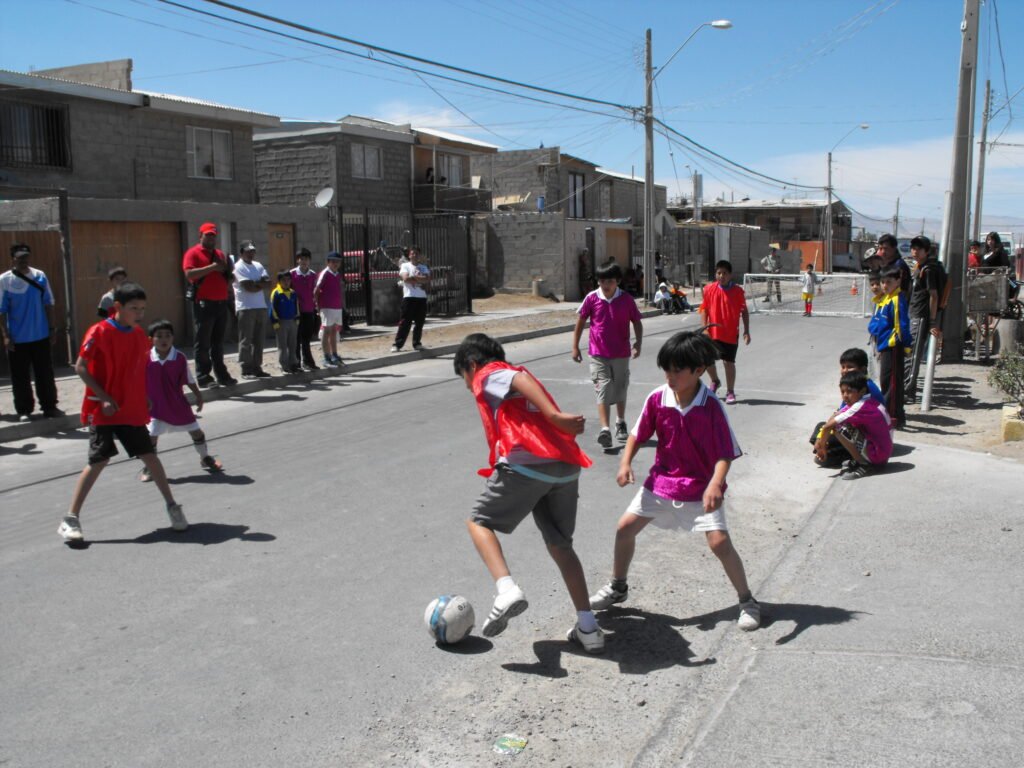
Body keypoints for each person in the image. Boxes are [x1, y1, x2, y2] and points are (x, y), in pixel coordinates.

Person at [588, 330, 761, 632]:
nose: (670, 376)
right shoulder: (657, 398)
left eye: (677, 370)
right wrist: (625, 462)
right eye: (666, 369)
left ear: (697, 370)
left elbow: (725, 453)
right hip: (662, 483)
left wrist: (715, 483)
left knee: (719, 543)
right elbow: (638, 434)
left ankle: (747, 601)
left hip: (700, 487)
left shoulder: (711, 407)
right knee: (624, 528)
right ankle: (618, 586)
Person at [453, 333, 604, 653]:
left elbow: (517, 377)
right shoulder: (503, 379)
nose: (468, 385)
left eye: (465, 378)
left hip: (528, 465)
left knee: (478, 522)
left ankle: (506, 589)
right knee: (561, 546)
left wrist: (553, 416)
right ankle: (589, 629)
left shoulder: (488, 372)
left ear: (472, 364)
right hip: (565, 468)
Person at [58, 282, 187, 544]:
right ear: (117, 307)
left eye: (142, 309)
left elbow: (137, 370)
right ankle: (70, 518)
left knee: (150, 456)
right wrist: (104, 397)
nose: (139, 313)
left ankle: (173, 507)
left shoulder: (139, 335)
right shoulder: (99, 331)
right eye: (133, 308)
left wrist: (145, 396)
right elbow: (81, 367)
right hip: (103, 408)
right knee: (98, 461)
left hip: (129, 408)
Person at [139, 319, 223, 482]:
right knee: (151, 437)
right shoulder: (145, 359)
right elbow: (137, 382)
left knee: (196, 432)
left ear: (173, 338)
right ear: (151, 339)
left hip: (178, 404)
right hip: (156, 406)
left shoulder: (179, 358)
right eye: (159, 336)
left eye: (168, 335)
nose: (164, 339)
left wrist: (198, 396)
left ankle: (205, 458)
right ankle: (149, 466)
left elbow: (189, 379)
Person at [571, 262, 643, 448]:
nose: (605, 284)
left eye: (610, 281)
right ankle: (605, 429)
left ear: (617, 281)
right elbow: (580, 322)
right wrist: (575, 346)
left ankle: (620, 422)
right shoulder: (591, 298)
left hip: (621, 353)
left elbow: (636, 322)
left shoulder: (626, 299)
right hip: (597, 354)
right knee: (602, 387)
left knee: (620, 388)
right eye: (602, 280)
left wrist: (638, 343)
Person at [0, 243, 62, 421]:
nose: (23, 261)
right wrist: (6, 336)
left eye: (26, 257)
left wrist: (52, 328)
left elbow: (49, 303)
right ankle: (24, 410)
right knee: (20, 377)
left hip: (40, 335)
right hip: (17, 338)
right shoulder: (4, 280)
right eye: (20, 258)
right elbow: (1, 311)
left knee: (45, 373)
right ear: (13, 259)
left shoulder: (39, 276)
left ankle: (50, 407)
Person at [182, 222, 237, 388]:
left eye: (213, 235)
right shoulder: (193, 253)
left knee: (218, 342)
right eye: (208, 235)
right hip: (204, 304)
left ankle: (221, 374)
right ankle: (204, 376)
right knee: (203, 342)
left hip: (221, 302)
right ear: (201, 236)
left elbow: (229, 277)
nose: (211, 238)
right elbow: (189, 274)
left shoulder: (220, 254)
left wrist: (228, 275)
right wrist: (213, 267)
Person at [811, 348, 886, 468]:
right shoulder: (855, 385)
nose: (845, 371)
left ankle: (856, 460)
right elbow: (839, 412)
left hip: (870, 440)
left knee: (833, 430)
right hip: (858, 430)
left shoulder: (865, 390)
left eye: (850, 367)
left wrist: (822, 440)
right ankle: (826, 449)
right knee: (821, 428)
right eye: (843, 367)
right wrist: (821, 438)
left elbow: (838, 421)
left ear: (862, 369)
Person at [814, 371, 893, 481]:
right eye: (842, 392)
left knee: (838, 427)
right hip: (882, 452)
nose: (845, 395)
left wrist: (821, 446)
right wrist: (820, 438)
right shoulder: (865, 401)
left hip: (878, 455)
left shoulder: (860, 406)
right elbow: (834, 416)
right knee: (833, 424)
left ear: (862, 391)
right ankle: (863, 459)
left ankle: (865, 465)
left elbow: (829, 426)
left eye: (849, 391)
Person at [699, 260, 750, 405]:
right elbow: (704, 309)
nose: (721, 276)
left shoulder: (738, 291)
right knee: (707, 360)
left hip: (730, 334)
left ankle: (730, 391)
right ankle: (715, 381)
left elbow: (744, 312)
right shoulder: (709, 289)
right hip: (712, 333)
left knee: (728, 363)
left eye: (725, 273)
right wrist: (704, 328)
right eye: (718, 273)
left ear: (730, 275)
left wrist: (746, 330)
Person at [868, 265, 911, 429]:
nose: (884, 285)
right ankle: (893, 416)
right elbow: (876, 322)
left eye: (888, 282)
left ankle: (893, 417)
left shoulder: (897, 299)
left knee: (892, 383)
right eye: (883, 282)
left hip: (893, 347)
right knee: (886, 381)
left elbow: (902, 325)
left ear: (898, 281)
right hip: (883, 345)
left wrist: (906, 346)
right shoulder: (883, 299)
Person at [904, 236, 946, 404]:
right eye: (913, 248)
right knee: (909, 353)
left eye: (919, 249)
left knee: (913, 355)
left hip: (921, 317)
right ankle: (908, 388)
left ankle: (908, 390)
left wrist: (932, 321)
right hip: (914, 314)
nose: (915, 251)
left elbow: (934, 296)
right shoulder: (919, 266)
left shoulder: (928, 270)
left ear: (926, 251)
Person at [232, 240, 272, 379]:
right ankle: (246, 368)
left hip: (260, 306)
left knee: (259, 340)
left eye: (253, 251)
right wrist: (258, 284)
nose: (251, 254)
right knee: (246, 340)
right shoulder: (238, 267)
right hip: (246, 307)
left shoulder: (258, 265)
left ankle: (257, 367)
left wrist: (257, 284)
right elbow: (247, 287)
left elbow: (268, 282)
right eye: (248, 251)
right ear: (242, 252)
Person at [391, 246, 431, 352]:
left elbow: (427, 280)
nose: (414, 255)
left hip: (421, 298)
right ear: (409, 255)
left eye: (417, 253)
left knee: (419, 323)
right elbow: (406, 278)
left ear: (419, 255)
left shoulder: (423, 267)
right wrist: (420, 279)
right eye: (412, 253)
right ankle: (397, 344)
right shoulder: (405, 265)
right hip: (409, 297)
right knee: (405, 322)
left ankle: (417, 343)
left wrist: (414, 278)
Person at [290, 248, 320, 371]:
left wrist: (316, 305)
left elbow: (316, 291)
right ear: (298, 260)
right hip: (296, 311)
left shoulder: (313, 275)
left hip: (309, 310)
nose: (304, 261)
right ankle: (296, 363)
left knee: (306, 338)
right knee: (296, 338)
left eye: (306, 259)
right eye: (301, 259)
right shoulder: (292, 274)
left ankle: (308, 361)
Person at [314, 251, 345, 367]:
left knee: (334, 331)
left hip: (336, 307)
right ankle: (326, 357)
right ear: (328, 262)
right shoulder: (325, 273)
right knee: (326, 332)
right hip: (326, 307)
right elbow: (316, 290)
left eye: (338, 262)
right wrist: (317, 306)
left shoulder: (337, 274)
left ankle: (334, 355)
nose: (336, 264)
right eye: (333, 262)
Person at [270, 270, 301, 374]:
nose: (286, 282)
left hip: (292, 321)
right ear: (279, 281)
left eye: (288, 280)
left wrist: (297, 318)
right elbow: (272, 309)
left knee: (293, 344)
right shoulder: (276, 293)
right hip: (281, 322)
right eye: (284, 280)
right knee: (282, 346)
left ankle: (293, 364)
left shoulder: (293, 293)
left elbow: (296, 306)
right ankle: (284, 365)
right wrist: (275, 322)